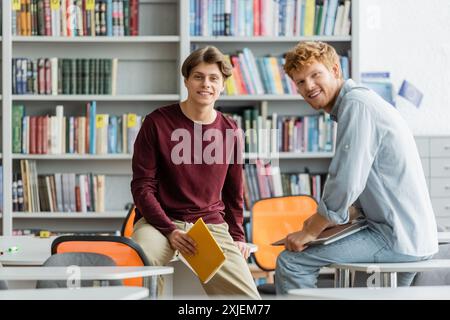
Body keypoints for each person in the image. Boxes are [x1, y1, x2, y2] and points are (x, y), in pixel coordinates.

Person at [275, 41, 438, 294]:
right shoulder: (360, 103)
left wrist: (312, 230)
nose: (308, 86)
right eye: (300, 82)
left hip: (395, 237)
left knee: (292, 262)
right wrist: (338, 218)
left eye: (315, 74)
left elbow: (346, 180)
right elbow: (369, 183)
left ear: (335, 70)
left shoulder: (356, 105)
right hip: (410, 237)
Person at [130, 46, 260, 299]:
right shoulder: (156, 122)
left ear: (223, 85)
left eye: (214, 78)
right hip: (159, 224)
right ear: (187, 81)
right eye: (198, 76)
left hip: (209, 225)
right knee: (143, 263)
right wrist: (170, 230)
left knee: (247, 300)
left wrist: (238, 236)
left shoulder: (231, 130)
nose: (206, 84)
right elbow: (142, 187)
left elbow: (234, 193)